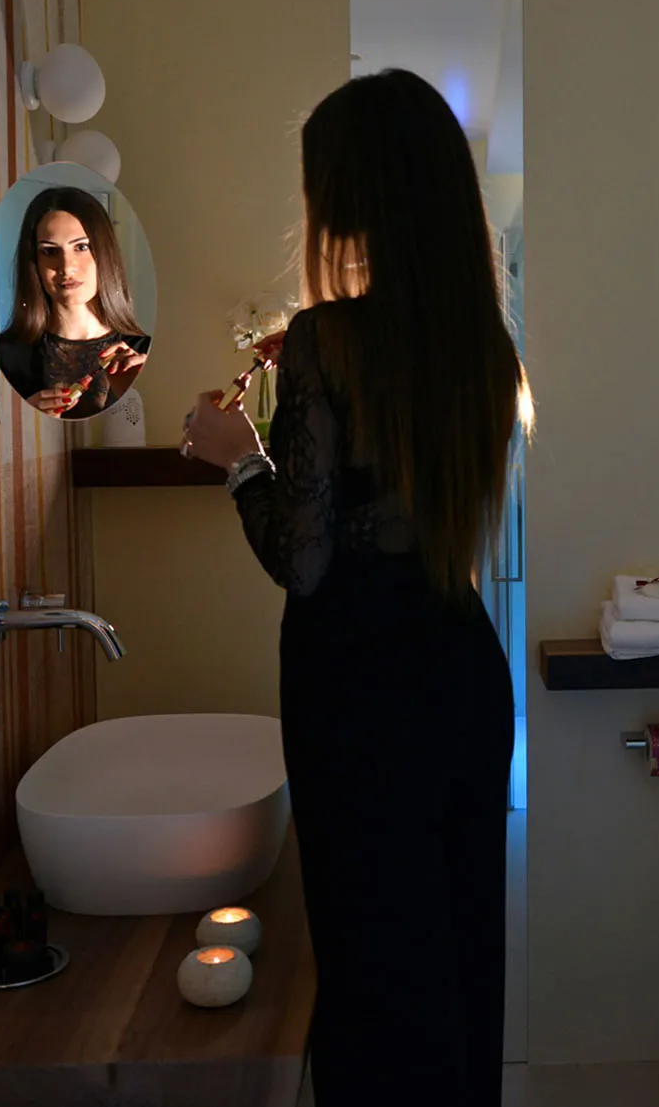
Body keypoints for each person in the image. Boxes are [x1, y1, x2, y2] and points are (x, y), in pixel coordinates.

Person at [182, 68, 526, 1106]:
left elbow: (304, 557)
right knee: (459, 957)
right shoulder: (484, 343)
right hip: (462, 671)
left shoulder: (328, 340)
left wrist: (236, 458)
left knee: (374, 968)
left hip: (360, 689)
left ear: (355, 190)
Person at [0, 186, 150, 419]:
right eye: (50, 251)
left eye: (81, 247)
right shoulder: (4, 356)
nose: (67, 267)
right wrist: (24, 419)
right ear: (34, 261)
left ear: (104, 253)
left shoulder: (143, 354)